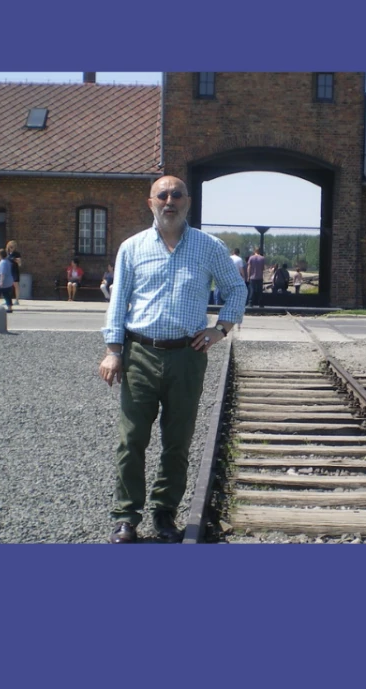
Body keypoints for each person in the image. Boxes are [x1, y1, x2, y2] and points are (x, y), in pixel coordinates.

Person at [99, 175, 246, 544]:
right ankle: (126, 517)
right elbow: (118, 302)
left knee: (177, 442)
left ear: (187, 202)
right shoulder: (132, 248)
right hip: (139, 355)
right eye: (162, 195)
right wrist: (113, 351)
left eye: (176, 195)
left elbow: (236, 289)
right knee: (131, 440)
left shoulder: (209, 247)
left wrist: (220, 329)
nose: (169, 201)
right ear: (150, 202)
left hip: (187, 357)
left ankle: (165, 513)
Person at [0, 248, 15, 313]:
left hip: (1, 284)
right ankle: (9, 308)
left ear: (0, 255)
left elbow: (2, 273)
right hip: (7, 283)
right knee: (7, 296)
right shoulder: (7, 261)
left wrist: (1, 282)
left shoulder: (3, 262)